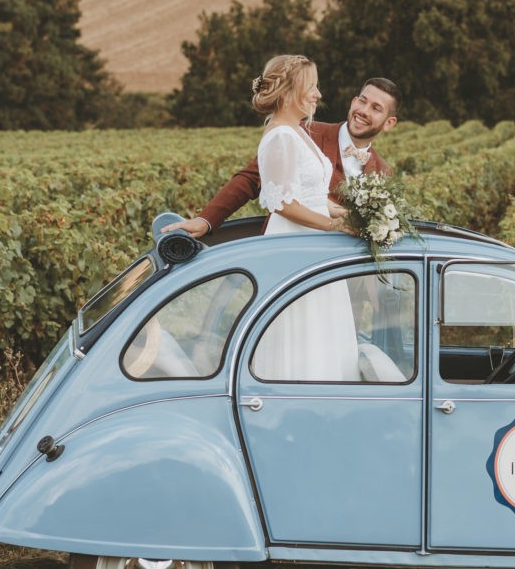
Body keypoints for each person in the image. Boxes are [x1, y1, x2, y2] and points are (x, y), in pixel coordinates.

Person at [233, 54, 360, 380]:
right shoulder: (280, 136)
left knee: (322, 333)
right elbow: (285, 203)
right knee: (301, 336)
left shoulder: (297, 131)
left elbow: (312, 196)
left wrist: (352, 214)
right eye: (312, 86)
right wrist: (337, 226)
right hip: (295, 245)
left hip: (314, 242)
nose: (318, 94)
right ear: (288, 93)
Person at [166, 72, 400, 238]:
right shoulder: (304, 131)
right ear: (353, 101)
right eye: (362, 101)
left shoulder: (383, 172)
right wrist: (206, 219)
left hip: (338, 271)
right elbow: (251, 178)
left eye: (376, 108)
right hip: (290, 250)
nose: (363, 111)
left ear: (389, 123)